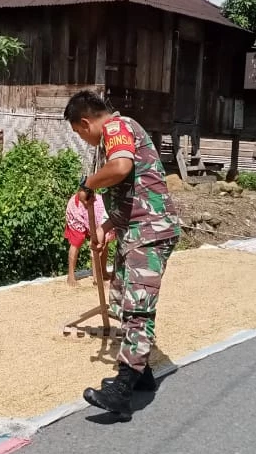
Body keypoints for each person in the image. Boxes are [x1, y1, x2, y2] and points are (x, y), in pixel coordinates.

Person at [63, 91, 181, 419]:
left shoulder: (117, 127)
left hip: (151, 232)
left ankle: (123, 390)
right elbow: (132, 193)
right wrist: (104, 225)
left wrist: (88, 185)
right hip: (135, 231)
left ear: (86, 122)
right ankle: (142, 375)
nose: (84, 140)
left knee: (138, 308)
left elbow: (120, 167)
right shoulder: (119, 133)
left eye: (79, 133)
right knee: (120, 299)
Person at [64, 192, 115, 287]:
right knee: (77, 240)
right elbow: (95, 247)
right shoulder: (107, 217)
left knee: (105, 242)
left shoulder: (113, 214)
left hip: (96, 214)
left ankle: (103, 271)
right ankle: (72, 276)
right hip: (77, 208)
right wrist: (97, 279)